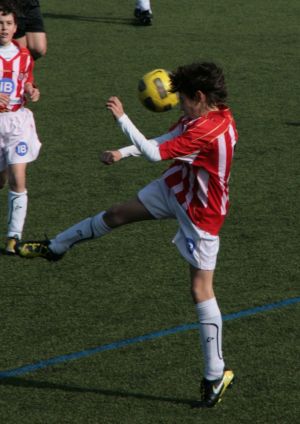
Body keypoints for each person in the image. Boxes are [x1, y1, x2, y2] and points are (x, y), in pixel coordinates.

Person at [16, 62, 238, 408]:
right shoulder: (202, 115)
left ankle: (215, 375)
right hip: (177, 185)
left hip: (201, 213)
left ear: (199, 96)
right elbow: (163, 141)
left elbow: (153, 153)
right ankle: (57, 246)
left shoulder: (208, 131)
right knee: (117, 214)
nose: (178, 103)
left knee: (200, 289)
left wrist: (122, 118)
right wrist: (122, 152)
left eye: (182, 98)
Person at [0, 0, 41, 254]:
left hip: (18, 122)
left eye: (8, 24)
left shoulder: (23, 55)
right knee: (2, 179)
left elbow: (27, 81)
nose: (3, 28)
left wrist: (31, 90)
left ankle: (14, 237)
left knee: (19, 178)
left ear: (16, 27)